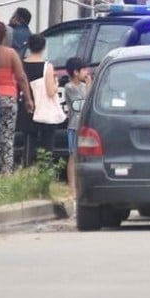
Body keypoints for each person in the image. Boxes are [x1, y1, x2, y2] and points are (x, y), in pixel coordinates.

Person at [0, 21, 34, 175]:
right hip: (8, 98)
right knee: (6, 137)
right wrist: (28, 99)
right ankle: (6, 172)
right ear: (5, 36)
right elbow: (21, 78)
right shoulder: (11, 53)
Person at [19, 34, 60, 166]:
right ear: (44, 47)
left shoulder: (21, 64)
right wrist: (57, 85)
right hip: (44, 107)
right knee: (47, 141)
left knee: (29, 141)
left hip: (27, 105)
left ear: (29, 47)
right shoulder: (47, 66)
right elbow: (50, 91)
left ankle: (27, 168)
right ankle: (44, 169)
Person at [64, 56, 92, 198]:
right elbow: (80, 105)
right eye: (83, 70)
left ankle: (82, 186)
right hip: (75, 126)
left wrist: (88, 86)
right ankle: (72, 187)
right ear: (75, 72)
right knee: (73, 155)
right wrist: (88, 86)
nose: (86, 73)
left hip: (84, 125)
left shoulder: (83, 86)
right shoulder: (70, 87)